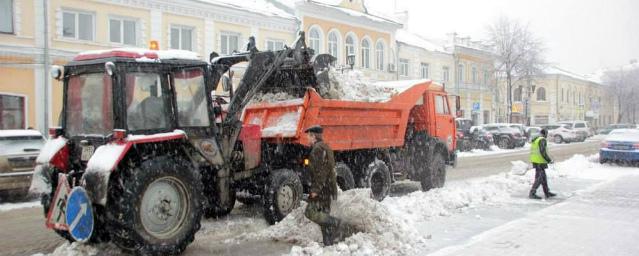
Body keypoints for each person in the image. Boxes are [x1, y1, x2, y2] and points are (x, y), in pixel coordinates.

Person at [303, 125, 355, 246]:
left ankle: (336, 222)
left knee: (310, 212)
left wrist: (315, 189)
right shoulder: (325, 147)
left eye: (308, 136)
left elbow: (321, 172)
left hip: (322, 189)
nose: (307, 139)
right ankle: (328, 242)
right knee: (324, 215)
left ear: (313, 136)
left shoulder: (318, 149)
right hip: (327, 188)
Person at [529, 129, 557, 199]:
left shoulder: (536, 139)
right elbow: (542, 152)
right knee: (539, 178)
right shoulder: (542, 140)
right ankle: (532, 193)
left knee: (543, 177)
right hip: (540, 161)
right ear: (545, 134)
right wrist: (549, 160)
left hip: (536, 161)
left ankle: (547, 192)